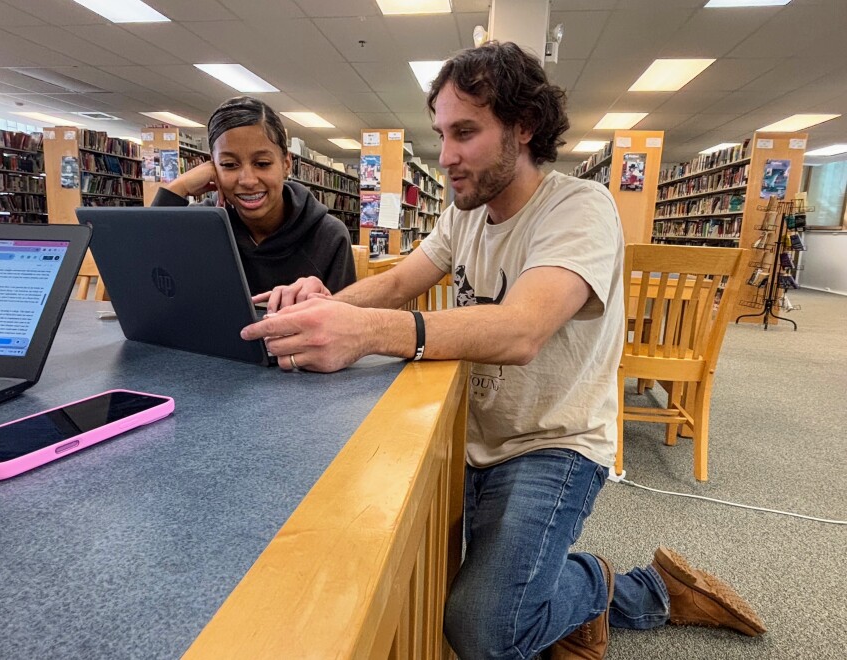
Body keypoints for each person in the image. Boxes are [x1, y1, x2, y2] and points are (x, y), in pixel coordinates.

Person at [243, 42, 766, 658]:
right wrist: (324, 307)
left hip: (555, 445)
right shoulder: (464, 213)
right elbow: (396, 283)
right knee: (393, 561)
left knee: (483, 630)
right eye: (441, 134)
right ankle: (563, 591)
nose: (446, 157)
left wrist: (371, 332)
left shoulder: (580, 208)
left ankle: (621, 585)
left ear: (525, 127)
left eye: (465, 132)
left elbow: (522, 330)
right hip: (470, 434)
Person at [152, 96, 355, 296]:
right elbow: (144, 274)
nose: (248, 181)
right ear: (212, 166)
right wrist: (178, 188)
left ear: (286, 164)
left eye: (262, 163)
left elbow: (345, 320)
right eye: (229, 165)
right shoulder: (199, 224)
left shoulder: (329, 237)